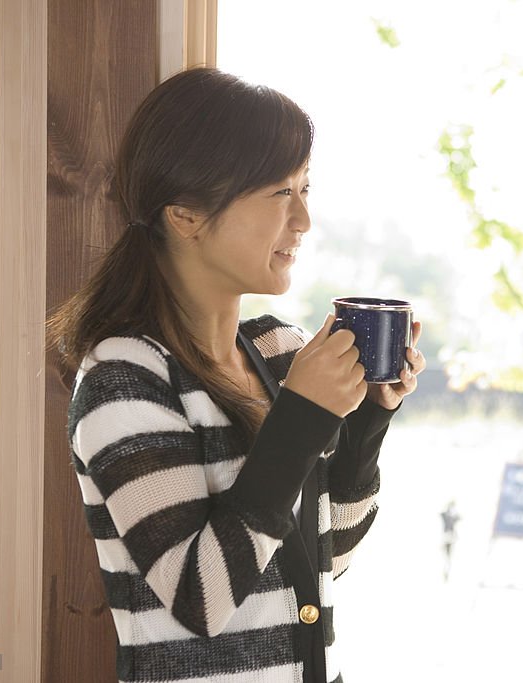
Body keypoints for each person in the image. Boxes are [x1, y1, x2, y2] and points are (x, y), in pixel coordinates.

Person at [46, 67, 426, 683]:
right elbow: (202, 598)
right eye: (281, 193)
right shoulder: (124, 378)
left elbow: (333, 554)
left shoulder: (278, 351)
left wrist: (366, 419)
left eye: (307, 189)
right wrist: (303, 419)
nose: (302, 220)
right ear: (187, 215)